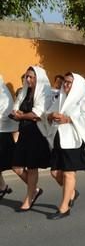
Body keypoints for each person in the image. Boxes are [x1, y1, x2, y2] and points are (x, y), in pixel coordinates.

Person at [45, 73, 85, 219]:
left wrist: (68, 119)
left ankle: (64, 208)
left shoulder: (83, 99)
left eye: (69, 82)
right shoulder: (61, 97)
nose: (66, 85)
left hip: (73, 141)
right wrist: (51, 116)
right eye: (65, 82)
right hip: (58, 139)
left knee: (69, 174)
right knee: (55, 173)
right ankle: (73, 193)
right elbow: (48, 112)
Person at [10, 66, 51, 212]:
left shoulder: (45, 92)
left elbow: (37, 114)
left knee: (32, 167)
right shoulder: (24, 92)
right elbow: (16, 107)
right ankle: (34, 190)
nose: (28, 79)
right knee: (16, 166)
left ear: (38, 78)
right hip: (24, 132)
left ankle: (29, 197)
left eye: (31, 77)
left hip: (36, 134)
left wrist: (21, 115)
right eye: (26, 76)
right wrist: (17, 113)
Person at [0, 74, 18, 200]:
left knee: (16, 166)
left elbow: (6, 115)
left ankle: (34, 189)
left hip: (3, 133)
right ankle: (2, 187)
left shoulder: (4, 95)